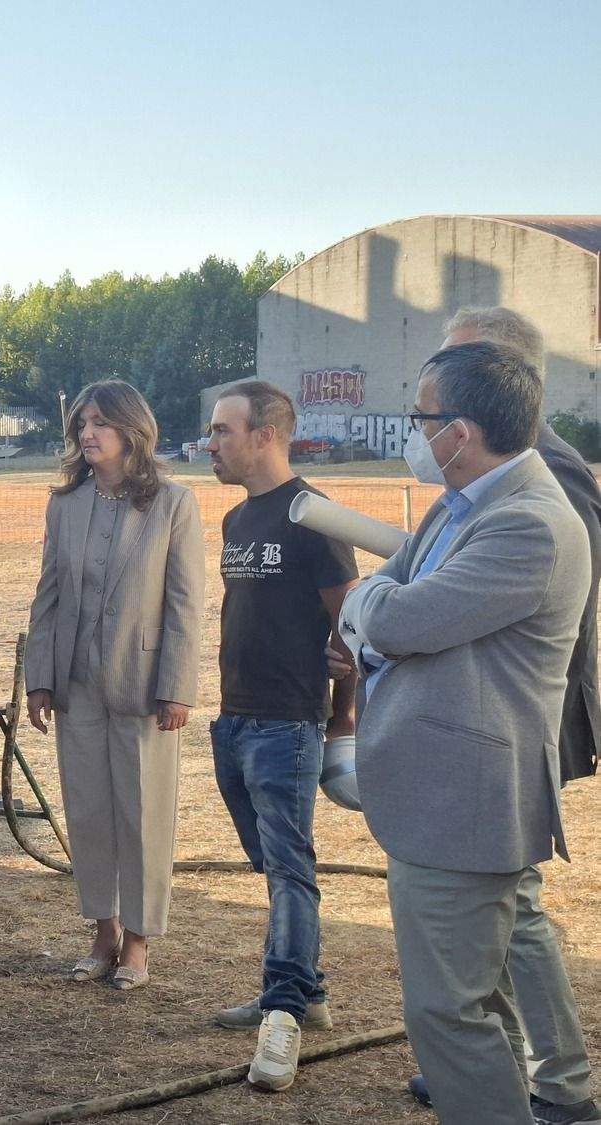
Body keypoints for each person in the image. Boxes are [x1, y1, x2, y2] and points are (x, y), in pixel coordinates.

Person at [339, 341, 590, 1125]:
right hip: (443, 795)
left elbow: (399, 612)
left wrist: (364, 609)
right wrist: (374, 605)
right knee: (470, 1002)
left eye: (422, 417)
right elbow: (390, 589)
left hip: (466, 803)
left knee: (447, 1013)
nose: (415, 432)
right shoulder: (463, 500)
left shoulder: (530, 524)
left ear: (463, 429)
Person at [202, 381, 359, 1092]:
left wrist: (343, 714)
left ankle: (285, 1011)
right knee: (271, 864)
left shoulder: (317, 517)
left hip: (289, 723)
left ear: (264, 434)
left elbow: (350, 631)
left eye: (222, 430)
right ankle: (309, 991)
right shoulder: (238, 521)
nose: (211, 443)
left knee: (291, 868)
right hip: (233, 719)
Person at [23, 380, 203, 990]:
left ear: (133, 429)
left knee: (144, 813)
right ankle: (102, 932)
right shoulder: (65, 503)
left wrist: (176, 686)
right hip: (77, 686)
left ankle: (139, 943)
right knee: (90, 812)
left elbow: (185, 604)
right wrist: (39, 680)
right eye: (82, 423)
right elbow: (46, 597)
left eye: (100, 422)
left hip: (145, 688)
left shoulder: (174, 503)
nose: (87, 433)